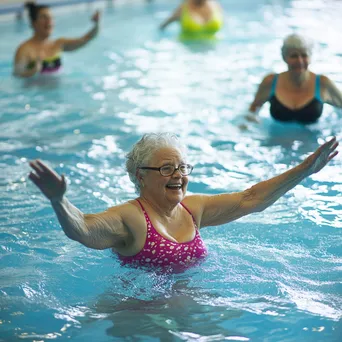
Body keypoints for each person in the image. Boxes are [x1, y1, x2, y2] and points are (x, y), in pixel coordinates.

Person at [28, 133, 338, 271]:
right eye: (166, 168)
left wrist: (305, 170)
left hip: (188, 306)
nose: (177, 175)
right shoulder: (131, 217)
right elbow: (82, 229)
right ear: (141, 176)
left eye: (181, 167)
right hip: (139, 314)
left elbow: (252, 198)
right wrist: (59, 200)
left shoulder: (192, 209)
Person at [247, 34, 342, 124]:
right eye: (294, 56)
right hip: (276, 139)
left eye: (304, 55)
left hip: (313, 140)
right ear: (284, 58)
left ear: (310, 57)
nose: (300, 61)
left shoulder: (323, 83)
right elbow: (253, 110)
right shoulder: (270, 82)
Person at [13, 2, 100, 78]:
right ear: (33, 23)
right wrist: (32, 71)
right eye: (44, 17)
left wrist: (96, 24)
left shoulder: (58, 44)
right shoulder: (25, 50)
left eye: (51, 17)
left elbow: (86, 39)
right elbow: (18, 75)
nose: (49, 21)